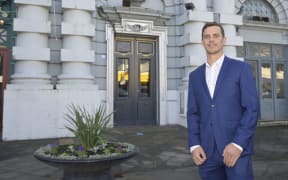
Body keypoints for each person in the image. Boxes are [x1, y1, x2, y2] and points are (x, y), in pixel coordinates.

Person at [187, 22, 259, 180]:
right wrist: (194, 145)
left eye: (215, 36)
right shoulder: (195, 76)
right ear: (202, 42)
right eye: (207, 36)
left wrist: (238, 144)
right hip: (206, 153)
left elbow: (252, 109)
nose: (211, 40)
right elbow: (193, 113)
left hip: (235, 151)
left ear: (224, 40)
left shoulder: (240, 68)